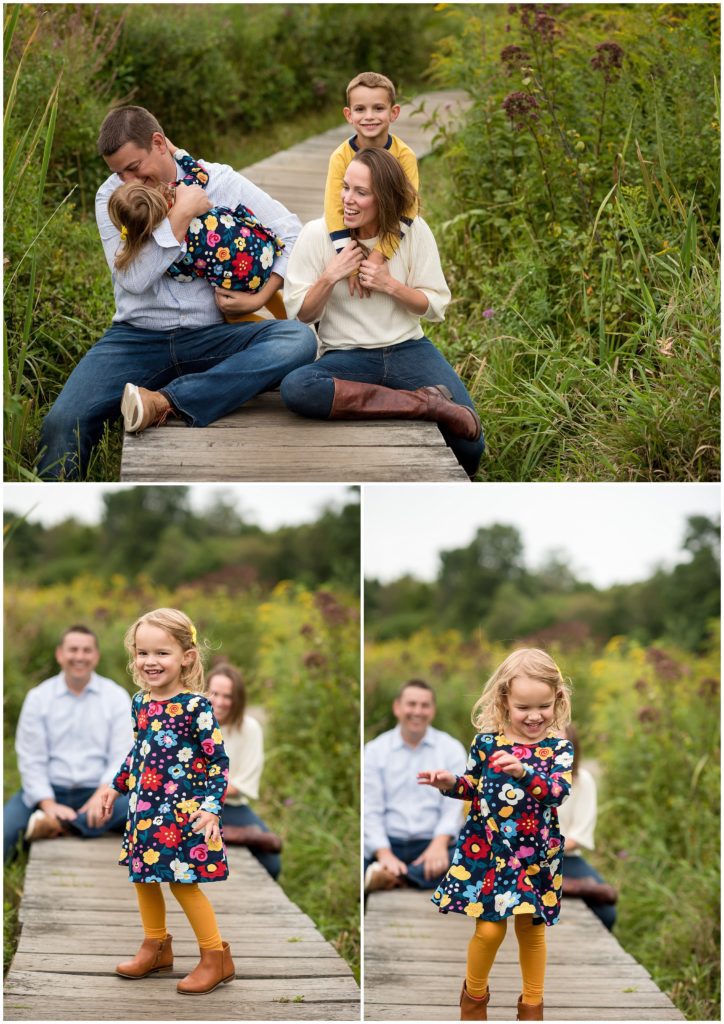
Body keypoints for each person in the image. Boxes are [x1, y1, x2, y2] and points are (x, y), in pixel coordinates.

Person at [36, 105, 317, 478]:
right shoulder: (111, 199)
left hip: (211, 336)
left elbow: (292, 232)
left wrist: (262, 294)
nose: (128, 181)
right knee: (61, 423)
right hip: (135, 339)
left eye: (134, 168)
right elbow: (133, 279)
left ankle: (165, 400)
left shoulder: (218, 180)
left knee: (297, 341)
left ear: (158, 143)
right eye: (118, 172)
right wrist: (180, 216)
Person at [280, 147, 485, 478]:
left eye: (361, 193)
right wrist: (331, 275)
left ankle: (404, 400)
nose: (347, 199)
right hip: (346, 356)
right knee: (296, 388)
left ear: (385, 198)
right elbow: (302, 314)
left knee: (471, 447)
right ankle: (423, 404)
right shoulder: (317, 234)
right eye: (345, 187)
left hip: (407, 348)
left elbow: (434, 306)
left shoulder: (414, 232)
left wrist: (390, 285)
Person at [418, 649, 574, 1022]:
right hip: (488, 851)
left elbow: (557, 792)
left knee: (531, 931)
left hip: (535, 854)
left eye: (544, 706)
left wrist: (524, 773)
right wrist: (450, 783)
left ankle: (532, 1008)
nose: (535, 716)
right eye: (523, 707)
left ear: (557, 700)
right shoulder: (486, 744)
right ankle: (473, 1001)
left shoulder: (558, 749)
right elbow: (474, 787)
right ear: (504, 701)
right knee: (489, 931)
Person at [100, 608, 233, 995]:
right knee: (143, 878)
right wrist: (116, 784)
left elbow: (218, 762)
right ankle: (155, 946)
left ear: (186, 657)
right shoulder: (140, 702)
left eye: (161, 653)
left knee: (183, 883)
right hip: (144, 813)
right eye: (143, 653)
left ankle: (216, 957)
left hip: (184, 814)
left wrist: (211, 808)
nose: (150, 662)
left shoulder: (196, 708)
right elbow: (140, 750)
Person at [4, 624, 132, 862]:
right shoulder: (39, 698)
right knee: (5, 832)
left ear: (96, 656)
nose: (79, 657)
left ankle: (58, 825)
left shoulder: (115, 697)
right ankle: (77, 824)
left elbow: (121, 754)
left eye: (86, 650)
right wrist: (47, 802)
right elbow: (31, 757)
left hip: (99, 790)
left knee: (141, 804)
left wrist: (103, 794)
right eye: (73, 650)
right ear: (60, 654)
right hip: (49, 789)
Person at [107, 150, 285, 298]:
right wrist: (175, 150)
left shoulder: (172, 250)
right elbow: (200, 173)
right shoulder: (179, 191)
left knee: (209, 272)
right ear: (149, 191)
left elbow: (185, 277)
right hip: (266, 244)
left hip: (249, 283)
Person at [364, 679, 467, 894]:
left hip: (432, 842)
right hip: (389, 841)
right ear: (397, 707)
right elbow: (370, 808)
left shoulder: (451, 749)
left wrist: (439, 844)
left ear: (433, 710)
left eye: (425, 705)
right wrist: (383, 854)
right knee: (358, 859)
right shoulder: (375, 750)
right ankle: (408, 875)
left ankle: (393, 878)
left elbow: (454, 807)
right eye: (411, 704)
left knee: (471, 853)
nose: (417, 711)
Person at [324, 71, 418, 270]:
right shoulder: (340, 157)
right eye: (360, 109)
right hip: (351, 238)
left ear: (394, 112)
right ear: (349, 115)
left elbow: (409, 207)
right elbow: (334, 210)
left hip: (391, 235)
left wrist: (380, 254)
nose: (369, 117)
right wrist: (349, 266)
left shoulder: (404, 156)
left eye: (378, 108)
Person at [206, 662, 282, 879]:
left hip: (229, 806)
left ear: (237, 700)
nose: (219, 702)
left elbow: (239, 786)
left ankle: (223, 836)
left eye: (227, 696)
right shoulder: (192, 722)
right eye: (214, 693)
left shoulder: (249, 729)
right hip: (188, 803)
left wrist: (208, 795)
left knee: (272, 863)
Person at [558, 723, 617, 930]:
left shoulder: (582, 781)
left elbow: (577, 836)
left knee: (606, 912)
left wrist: (548, 850)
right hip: (518, 858)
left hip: (563, 857)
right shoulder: (520, 773)